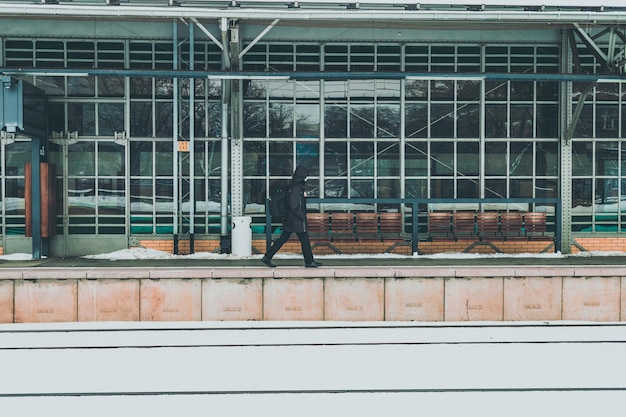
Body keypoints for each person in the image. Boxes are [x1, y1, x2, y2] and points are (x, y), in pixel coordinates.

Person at [261, 165, 323, 268]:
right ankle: (309, 261)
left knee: (284, 238)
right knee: (304, 240)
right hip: (296, 219)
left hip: (290, 219)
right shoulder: (297, 187)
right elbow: (294, 205)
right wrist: (302, 216)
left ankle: (267, 257)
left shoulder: (292, 185)